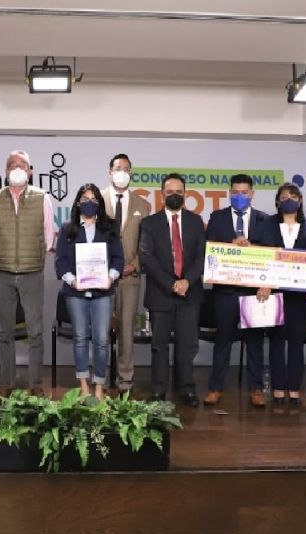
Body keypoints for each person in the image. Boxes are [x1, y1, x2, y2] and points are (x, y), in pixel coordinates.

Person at [0, 150, 56, 397]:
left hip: (32, 272)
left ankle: (35, 383)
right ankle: (7, 382)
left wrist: (33, 257)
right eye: (12, 165)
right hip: (3, 272)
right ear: (5, 171)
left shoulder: (42, 198)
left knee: (35, 331)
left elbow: (49, 236)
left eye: (22, 165)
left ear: (30, 171)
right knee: (5, 332)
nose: (16, 168)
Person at [204, 173, 273, 408]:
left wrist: (252, 250)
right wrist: (229, 247)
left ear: (252, 194)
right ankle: (215, 388)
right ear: (229, 193)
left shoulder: (265, 220)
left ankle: (256, 388)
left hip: (254, 293)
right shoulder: (217, 218)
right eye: (235, 192)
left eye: (244, 192)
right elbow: (209, 249)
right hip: (225, 292)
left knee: (254, 342)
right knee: (223, 340)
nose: (240, 196)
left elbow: (272, 255)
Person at [138, 173, 205, 406]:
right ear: (162, 194)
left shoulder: (196, 222)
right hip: (160, 294)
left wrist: (187, 281)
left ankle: (186, 388)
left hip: (190, 293)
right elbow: (147, 258)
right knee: (159, 346)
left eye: (179, 192)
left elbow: (201, 256)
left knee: (187, 346)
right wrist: (171, 284)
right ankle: (158, 390)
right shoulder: (149, 223)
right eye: (170, 192)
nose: (174, 195)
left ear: (185, 194)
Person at [55, 184, 124, 399]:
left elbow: (118, 259)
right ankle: (84, 386)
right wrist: (72, 280)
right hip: (76, 292)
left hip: (103, 292)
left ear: (100, 204)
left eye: (94, 199)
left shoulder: (110, 227)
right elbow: (60, 262)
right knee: (80, 338)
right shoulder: (68, 229)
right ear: (77, 203)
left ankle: (99, 387)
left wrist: (110, 277)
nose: (89, 203)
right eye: (85, 198)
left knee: (102, 339)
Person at [263, 183, 306, 405]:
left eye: (293, 196)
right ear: (277, 202)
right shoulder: (267, 225)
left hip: (299, 295)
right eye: (283, 197)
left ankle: (294, 387)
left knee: (296, 342)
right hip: (273, 293)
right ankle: (277, 386)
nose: (288, 200)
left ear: (300, 200)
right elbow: (261, 256)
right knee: (276, 342)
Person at [104, 153, 151, 393]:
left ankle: (125, 381)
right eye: (117, 168)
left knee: (126, 331)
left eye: (126, 168)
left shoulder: (143, 205)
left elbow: (147, 243)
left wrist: (133, 264)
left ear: (131, 173)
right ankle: (99, 379)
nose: (122, 172)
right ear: (109, 172)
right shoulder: (97, 200)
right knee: (100, 331)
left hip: (130, 277)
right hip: (101, 278)